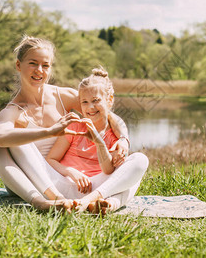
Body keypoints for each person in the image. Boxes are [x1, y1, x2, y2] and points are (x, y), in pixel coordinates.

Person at [0, 35, 134, 212]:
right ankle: (43, 203)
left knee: (133, 165)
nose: (39, 70)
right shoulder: (14, 110)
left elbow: (105, 114)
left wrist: (124, 139)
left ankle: (97, 203)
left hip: (62, 178)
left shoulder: (63, 96)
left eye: (45, 65)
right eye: (33, 63)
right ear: (19, 65)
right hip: (28, 183)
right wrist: (50, 132)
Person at [46, 67, 149, 214]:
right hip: (66, 184)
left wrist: (100, 142)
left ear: (109, 100)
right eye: (85, 102)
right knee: (131, 182)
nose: (90, 107)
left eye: (96, 101)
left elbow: (108, 170)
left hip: (97, 187)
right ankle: (109, 204)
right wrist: (72, 172)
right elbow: (51, 159)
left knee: (140, 161)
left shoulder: (115, 134)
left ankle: (94, 203)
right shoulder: (75, 126)